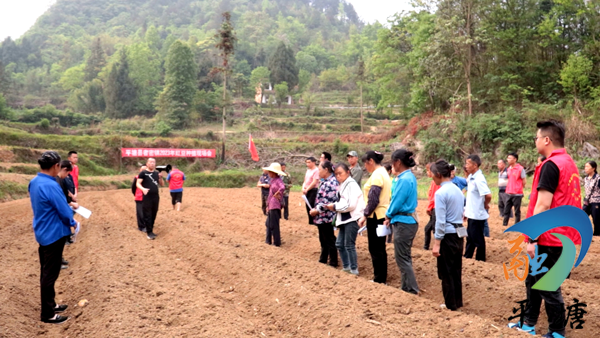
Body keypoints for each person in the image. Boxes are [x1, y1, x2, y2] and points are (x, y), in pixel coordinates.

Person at [508, 120, 582, 338]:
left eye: (537, 137)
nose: (536, 141)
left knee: (549, 286)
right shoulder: (569, 163)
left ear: (546, 140)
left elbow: (543, 204)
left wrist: (533, 239)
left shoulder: (551, 165)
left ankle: (557, 331)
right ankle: (529, 323)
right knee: (533, 280)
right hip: (563, 235)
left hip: (550, 238)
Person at [29, 151, 77, 324]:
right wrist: (73, 222)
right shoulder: (51, 185)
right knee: (50, 274)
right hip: (54, 233)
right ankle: (48, 314)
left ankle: (52, 304)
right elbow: (63, 209)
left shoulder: (34, 182)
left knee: (46, 271)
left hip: (42, 231)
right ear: (56, 166)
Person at [430, 159, 465, 311]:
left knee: (446, 271)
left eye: (431, 174)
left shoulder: (440, 193)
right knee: (456, 269)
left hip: (448, 235)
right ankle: (457, 301)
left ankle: (450, 305)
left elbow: (440, 221)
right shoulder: (457, 189)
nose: (430, 176)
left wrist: (437, 242)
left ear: (438, 174)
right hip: (459, 233)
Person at [384, 149, 419, 295]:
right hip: (407, 220)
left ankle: (411, 289)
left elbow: (397, 201)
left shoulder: (404, 179)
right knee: (404, 256)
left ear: (397, 162)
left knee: (402, 258)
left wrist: (388, 215)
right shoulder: (407, 177)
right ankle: (406, 287)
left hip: (404, 221)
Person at [358, 151, 392, 284]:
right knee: (380, 248)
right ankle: (381, 277)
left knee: (375, 248)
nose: (365, 167)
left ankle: (379, 279)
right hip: (382, 214)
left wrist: (365, 215)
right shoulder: (384, 172)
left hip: (376, 215)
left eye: (365, 164)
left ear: (370, 161)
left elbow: (373, 199)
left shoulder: (377, 175)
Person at [326, 163, 364, 275]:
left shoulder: (351, 184)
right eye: (336, 174)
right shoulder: (343, 184)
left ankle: (353, 269)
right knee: (339, 243)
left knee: (349, 244)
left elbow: (350, 205)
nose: (338, 176)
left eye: (340, 173)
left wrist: (334, 207)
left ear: (348, 172)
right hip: (344, 218)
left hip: (352, 218)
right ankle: (347, 267)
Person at [310, 161, 339, 267]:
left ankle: (333, 261)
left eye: (320, 169)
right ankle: (323, 258)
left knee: (329, 238)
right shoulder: (325, 181)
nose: (318, 172)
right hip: (321, 216)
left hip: (327, 216)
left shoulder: (331, 183)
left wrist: (317, 210)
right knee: (323, 238)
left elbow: (328, 201)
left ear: (326, 169)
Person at [463, 154, 492, 262]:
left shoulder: (479, 178)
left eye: (468, 163)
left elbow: (488, 195)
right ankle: (467, 257)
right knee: (470, 237)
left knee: (478, 239)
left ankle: (481, 260)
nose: (466, 166)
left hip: (477, 215)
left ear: (475, 165)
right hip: (471, 213)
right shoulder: (471, 176)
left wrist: (485, 204)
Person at [56, 160, 78, 270]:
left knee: (60, 240)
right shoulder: (57, 181)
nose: (67, 176)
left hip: (62, 211)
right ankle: (56, 262)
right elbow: (60, 201)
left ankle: (59, 258)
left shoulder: (60, 180)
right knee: (57, 239)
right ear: (64, 169)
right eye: (68, 173)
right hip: (57, 215)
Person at [136, 158, 164, 240]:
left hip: (155, 197)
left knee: (154, 213)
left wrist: (161, 178)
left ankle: (151, 230)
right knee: (147, 214)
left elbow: (162, 184)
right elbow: (138, 183)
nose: (152, 164)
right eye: (150, 162)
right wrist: (143, 189)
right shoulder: (143, 173)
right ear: (147, 164)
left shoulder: (156, 173)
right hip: (147, 197)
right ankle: (149, 232)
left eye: (153, 162)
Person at [263, 163, 286, 246]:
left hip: (275, 205)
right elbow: (270, 194)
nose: (268, 173)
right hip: (271, 205)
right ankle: (268, 240)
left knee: (273, 225)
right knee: (268, 223)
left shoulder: (278, 180)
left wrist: (278, 193)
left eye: (270, 172)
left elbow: (282, 187)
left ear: (273, 172)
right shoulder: (273, 180)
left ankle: (276, 242)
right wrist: (267, 206)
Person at [503, 152, 527, 226]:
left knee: (517, 210)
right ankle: (505, 223)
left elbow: (524, 180)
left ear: (515, 159)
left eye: (510, 158)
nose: (508, 159)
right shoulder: (508, 169)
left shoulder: (520, 169)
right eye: (508, 158)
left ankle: (517, 224)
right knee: (506, 209)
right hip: (509, 192)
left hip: (517, 193)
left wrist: (519, 188)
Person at [424, 163, 441, 250]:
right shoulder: (433, 182)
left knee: (434, 229)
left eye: (428, 170)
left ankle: (437, 247)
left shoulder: (436, 183)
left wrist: (429, 207)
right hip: (434, 208)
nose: (427, 172)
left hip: (435, 208)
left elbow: (434, 197)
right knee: (428, 228)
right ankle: (426, 247)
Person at [583, 161, 600, 236]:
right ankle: (583, 232)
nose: (585, 168)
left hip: (596, 201)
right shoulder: (586, 178)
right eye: (585, 166)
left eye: (587, 166)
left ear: (593, 168)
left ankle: (597, 234)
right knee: (581, 215)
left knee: (596, 219)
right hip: (587, 201)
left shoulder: (598, 178)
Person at [302, 157, 320, 225]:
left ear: (314, 162)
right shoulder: (308, 170)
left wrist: (307, 189)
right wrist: (303, 188)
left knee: (311, 205)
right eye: (307, 162)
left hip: (313, 190)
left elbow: (314, 182)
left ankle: (314, 221)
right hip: (307, 190)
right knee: (307, 205)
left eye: (309, 162)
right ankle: (310, 221)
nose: (307, 164)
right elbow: (305, 181)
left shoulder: (316, 170)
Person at [131, 166, 147, 232]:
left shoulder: (150, 178)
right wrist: (136, 194)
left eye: (145, 169)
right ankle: (141, 226)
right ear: (139, 170)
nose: (143, 171)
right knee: (140, 212)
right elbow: (133, 188)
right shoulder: (137, 178)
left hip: (148, 198)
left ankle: (147, 225)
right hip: (139, 197)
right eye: (142, 169)